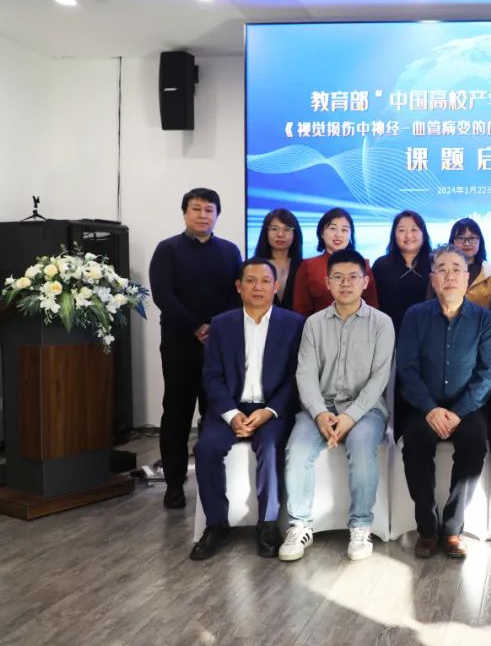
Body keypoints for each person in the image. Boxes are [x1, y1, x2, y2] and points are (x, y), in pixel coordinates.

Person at [278, 249, 395, 562]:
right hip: (320, 407)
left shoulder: (382, 323)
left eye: (353, 277)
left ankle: (361, 526)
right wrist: (320, 414)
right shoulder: (314, 324)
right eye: (338, 277)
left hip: (366, 410)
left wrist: (350, 417)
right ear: (327, 283)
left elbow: (379, 379)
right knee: (297, 449)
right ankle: (300, 525)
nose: (346, 283)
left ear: (365, 282)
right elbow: (305, 374)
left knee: (361, 446)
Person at [190, 258, 304, 560]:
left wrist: (270, 411)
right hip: (231, 407)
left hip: (272, 409)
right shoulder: (221, 324)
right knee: (206, 449)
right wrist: (231, 414)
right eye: (251, 281)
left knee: (270, 446)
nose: (258, 287)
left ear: (276, 286)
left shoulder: (294, 324)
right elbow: (211, 376)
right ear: (238, 286)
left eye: (265, 281)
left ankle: (268, 525)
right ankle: (216, 525)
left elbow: (296, 377)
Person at [397, 244, 491, 559]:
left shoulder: (485, 320)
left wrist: (457, 412)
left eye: (457, 269)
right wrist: (430, 409)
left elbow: (486, 375)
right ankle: (427, 528)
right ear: (433, 278)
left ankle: (453, 527)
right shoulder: (415, 316)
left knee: (475, 443)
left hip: (467, 409)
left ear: (467, 277)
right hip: (424, 408)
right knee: (414, 443)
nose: (450, 276)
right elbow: (407, 370)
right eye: (442, 269)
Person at [149, 187, 242, 509]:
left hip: (219, 347)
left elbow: (237, 294)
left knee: (216, 413)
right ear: (184, 213)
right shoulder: (167, 250)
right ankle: (174, 484)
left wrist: (216, 327)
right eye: (196, 209)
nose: (203, 215)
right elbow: (163, 295)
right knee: (176, 414)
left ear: (217, 215)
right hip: (179, 345)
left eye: (209, 210)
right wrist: (196, 327)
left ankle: (213, 484)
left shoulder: (230, 251)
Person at [292, 207, 378, 317]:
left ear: (350, 235)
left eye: (344, 230)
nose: (338, 234)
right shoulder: (308, 266)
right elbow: (300, 311)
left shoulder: (363, 265)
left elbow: (372, 307)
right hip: (319, 327)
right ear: (321, 233)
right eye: (332, 228)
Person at [372, 210, 433, 335]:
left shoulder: (435, 264)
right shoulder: (381, 265)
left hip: (428, 334)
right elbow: (373, 305)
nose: (408, 235)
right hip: (388, 334)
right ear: (394, 235)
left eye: (414, 229)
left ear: (423, 234)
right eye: (401, 230)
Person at [253, 208, 303, 311]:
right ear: (266, 232)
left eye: (287, 229)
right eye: (274, 229)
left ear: (295, 234)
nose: (280, 234)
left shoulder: (303, 267)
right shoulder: (252, 267)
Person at [449, 217, 491, 311]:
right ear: (452, 242)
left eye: (472, 238)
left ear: (480, 241)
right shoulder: (442, 271)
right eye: (461, 238)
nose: (467, 243)